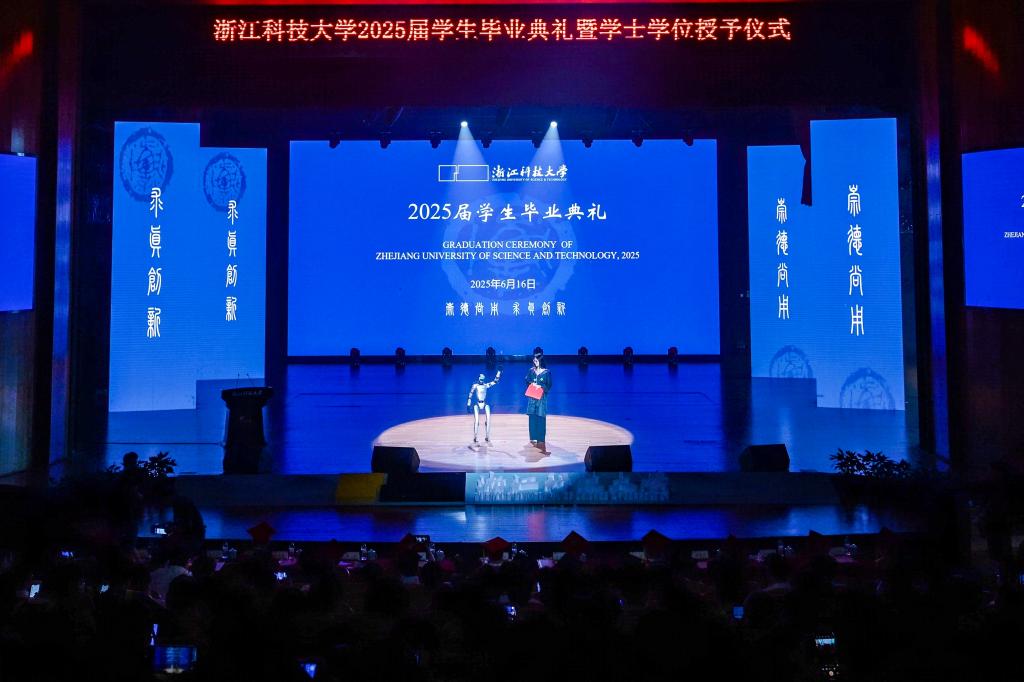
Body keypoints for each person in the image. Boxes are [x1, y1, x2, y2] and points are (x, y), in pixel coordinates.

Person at [524, 353, 551, 449]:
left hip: (541, 398)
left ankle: (541, 438)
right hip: (532, 397)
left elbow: (549, 385)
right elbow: (527, 380)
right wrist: (532, 384)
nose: (534, 362)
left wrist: (541, 386)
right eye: (534, 360)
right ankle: (533, 437)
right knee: (532, 416)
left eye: (536, 360)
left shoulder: (546, 372)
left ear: (540, 361)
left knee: (541, 416)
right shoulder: (531, 371)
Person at [467, 370, 501, 443]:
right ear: (479, 379)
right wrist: (468, 405)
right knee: (476, 421)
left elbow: (495, 381)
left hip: (484, 403)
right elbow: (470, 394)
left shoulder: (485, 385)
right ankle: (475, 436)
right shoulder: (475, 385)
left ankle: (487, 436)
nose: (481, 381)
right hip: (477, 403)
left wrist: (499, 372)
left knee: (488, 420)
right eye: (480, 379)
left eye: (482, 379)